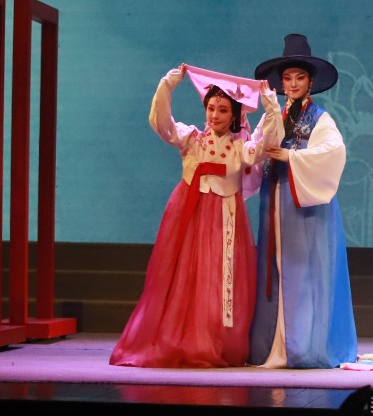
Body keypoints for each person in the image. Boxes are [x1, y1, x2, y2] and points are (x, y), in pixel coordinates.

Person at [112, 65, 276, 368]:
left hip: (226, 220)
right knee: (186, 278)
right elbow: (162, 124)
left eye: (223, 110)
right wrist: (167, 86)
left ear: (235, 115)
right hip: (190, 217)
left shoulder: (240, 147)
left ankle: (215, 341)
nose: (215, 115)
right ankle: (182, 338)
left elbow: (266, 148)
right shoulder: (193, 139)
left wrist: (272, 108)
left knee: (219, 279)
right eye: (211, 108)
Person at [249, 34, 358, 368]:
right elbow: (256, 145)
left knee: (306, 270)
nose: (293, 84)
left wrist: (292, 155)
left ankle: (305, 346)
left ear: (310, 82)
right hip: (275, 197)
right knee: (276, 265)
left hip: (304, 203)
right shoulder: (274, 114)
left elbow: (334, 151)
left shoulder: (320, 118)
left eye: (299, 77)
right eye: (287, 78)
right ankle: (276, 346)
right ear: (280, 83)